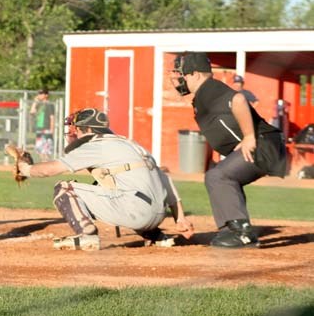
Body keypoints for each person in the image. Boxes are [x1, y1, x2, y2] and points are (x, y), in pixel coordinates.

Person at [15, 107, 194, 251]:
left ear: (87, 130)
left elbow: (50, 170)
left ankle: (87, 235)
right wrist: (180, 218)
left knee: (65, 188)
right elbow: (165, 179)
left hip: (136, 212)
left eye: (75, 129)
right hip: (157, 214)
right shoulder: (129, 143)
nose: (72, 133)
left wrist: (26, 169)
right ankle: (157, 237)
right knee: (116, 187)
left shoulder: (97, 146)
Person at [171, 52, 286, 248]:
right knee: (220, 177)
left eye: (183, 75)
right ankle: (230, 231)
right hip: (265, 144)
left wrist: (249, 136)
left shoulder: (208, 89)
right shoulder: (206, 92)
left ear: (196, 75)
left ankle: (242, 233)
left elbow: (239, 100)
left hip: (262, 144)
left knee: (218, 176)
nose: (178, 80)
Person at [29, 88, 55, 161]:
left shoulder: (49, 104)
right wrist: (35, 102)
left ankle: (47, 164)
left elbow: (52, 118)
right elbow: (32, 112)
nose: (39, 95)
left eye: (41, 94)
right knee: (39, 149)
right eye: (39, 94)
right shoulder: (38, 104)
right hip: (39, 128)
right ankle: (43, 163)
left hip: (47, 129)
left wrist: (52, 130)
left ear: (46, 95)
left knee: (46, 150)